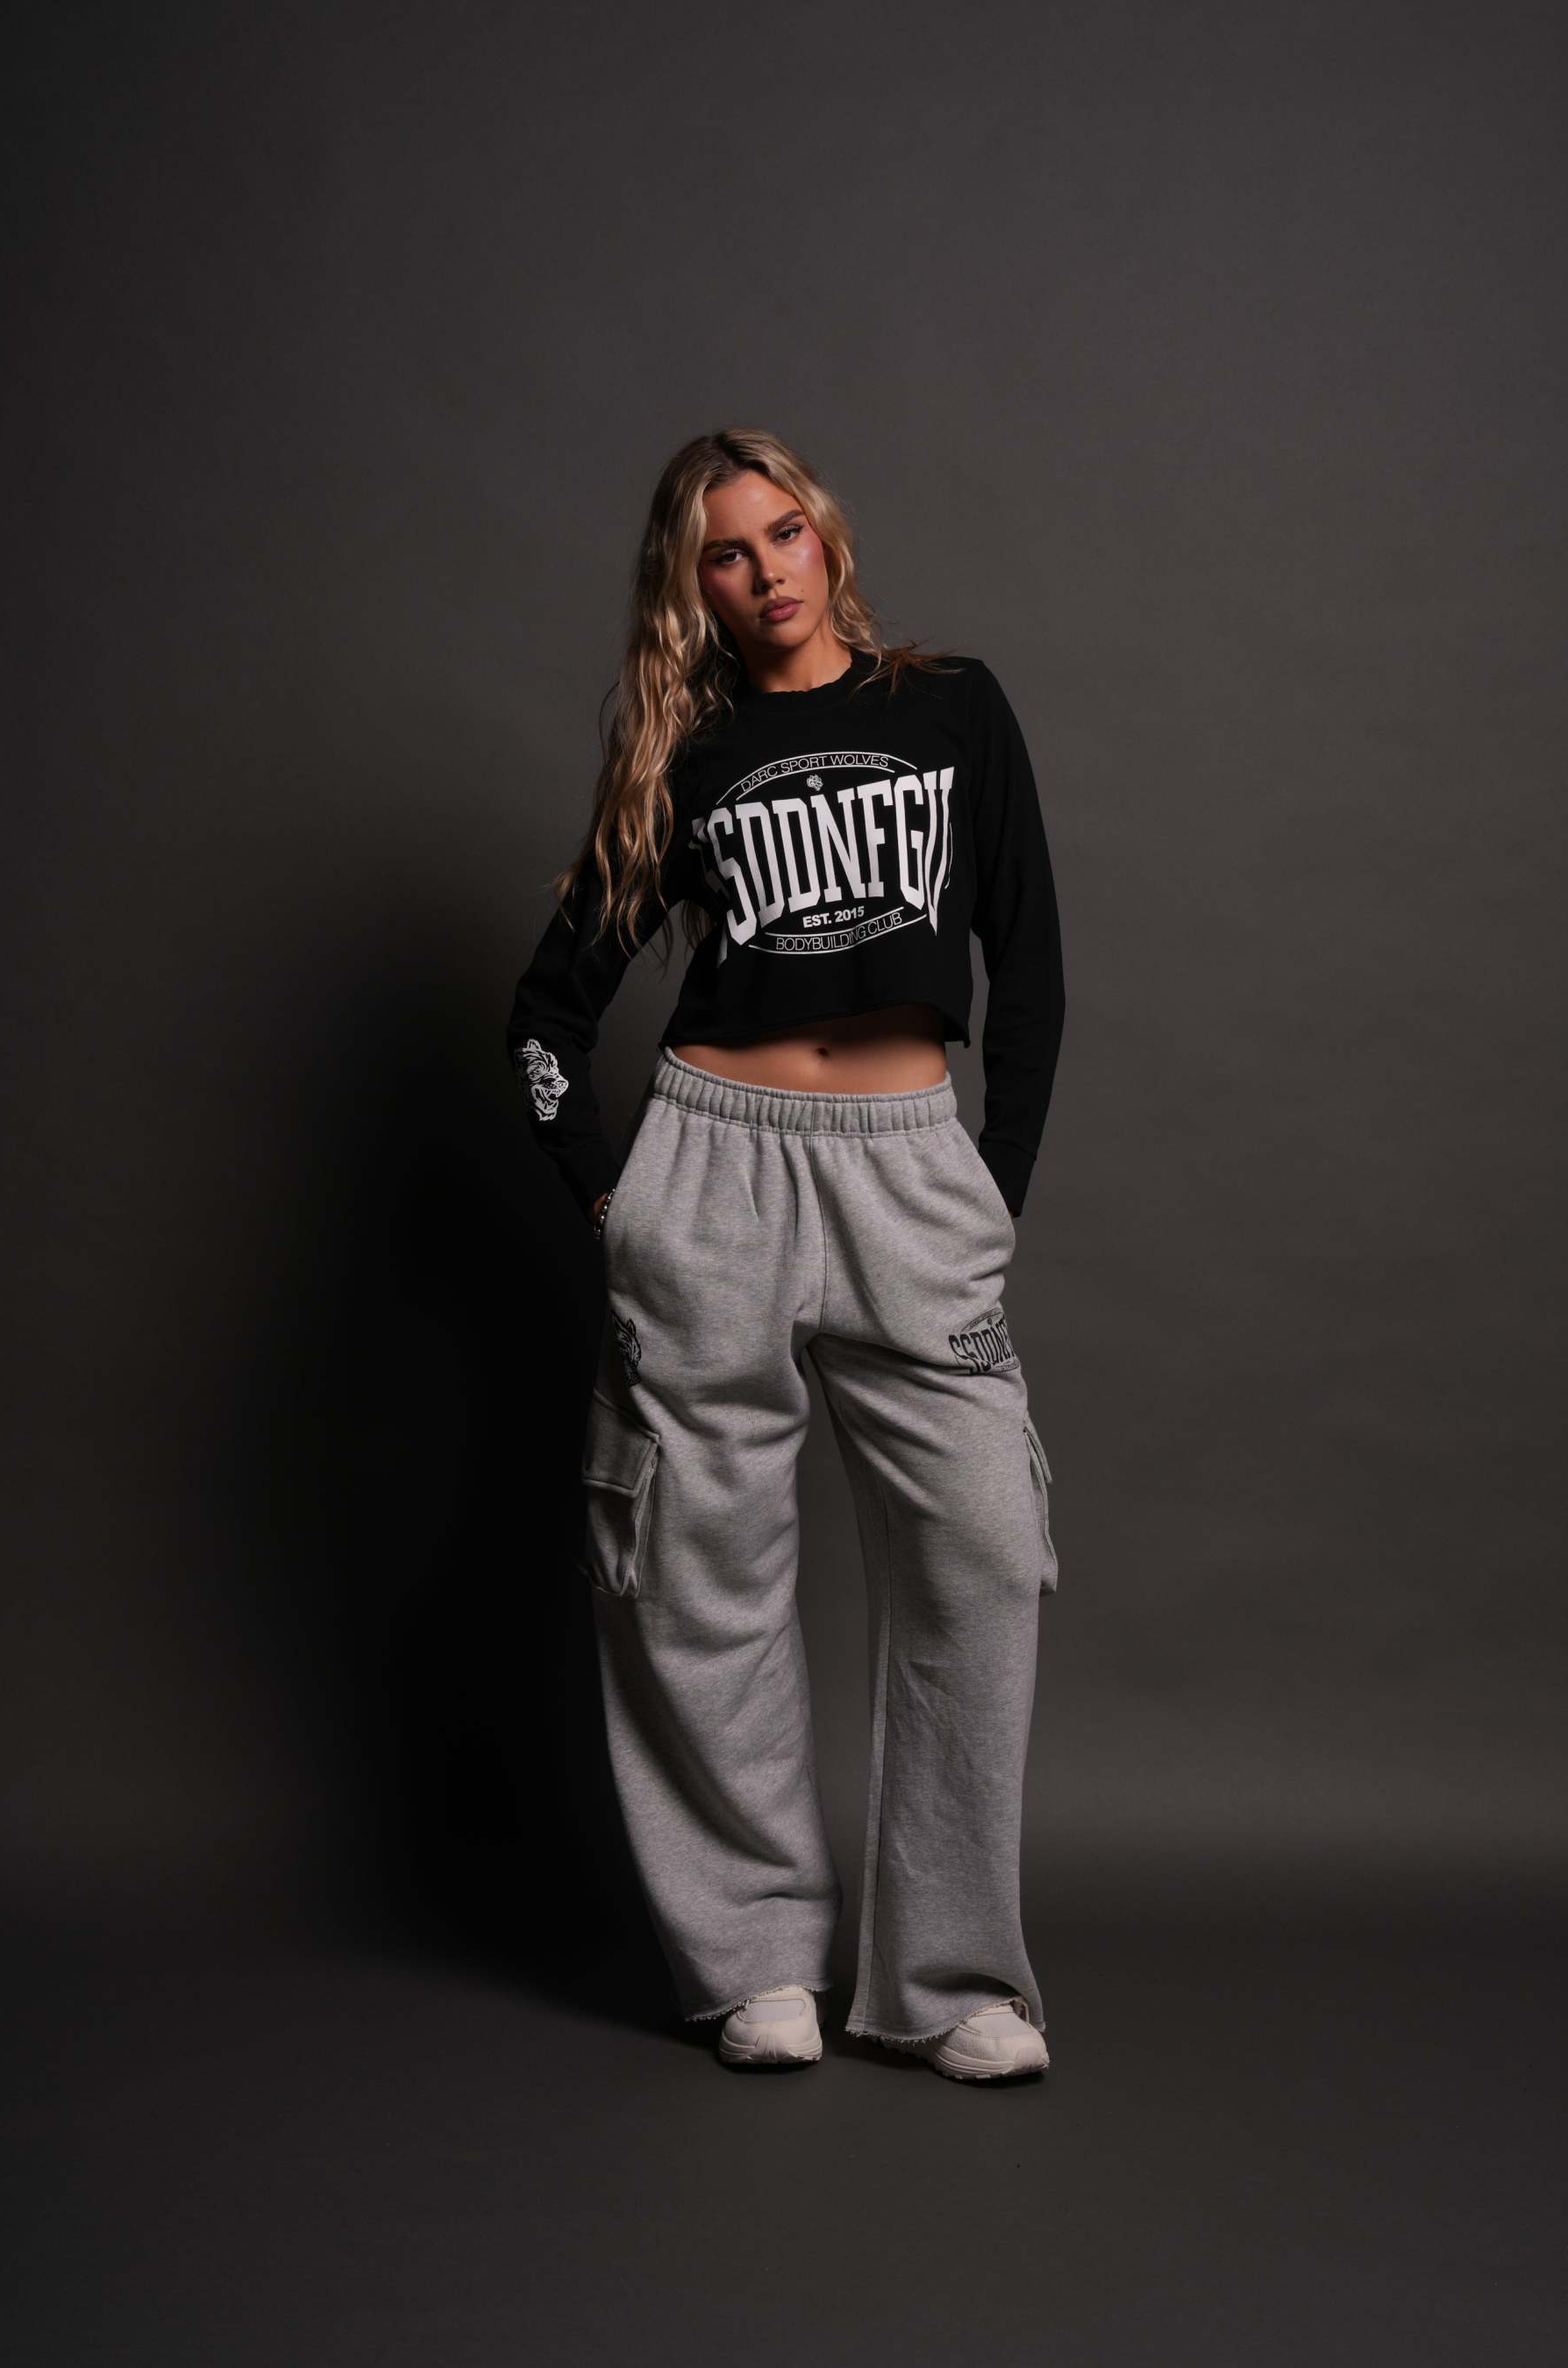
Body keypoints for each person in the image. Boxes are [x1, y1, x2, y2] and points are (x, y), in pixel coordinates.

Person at [506, 427, 1066, 2083]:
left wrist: (990, 1193)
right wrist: (615, 1200)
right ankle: (752, 1957)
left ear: (826, 534)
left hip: (910, 1174)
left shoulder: (951, 706)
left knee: (980, 1552)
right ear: (694, 587)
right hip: (714, 1173)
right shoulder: (683, 757)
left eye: (783, 534)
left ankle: (951, 1978)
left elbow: (1030, 971)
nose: (765, 573)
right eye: (726, 555)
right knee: (700, 1571)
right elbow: (546, 1015)